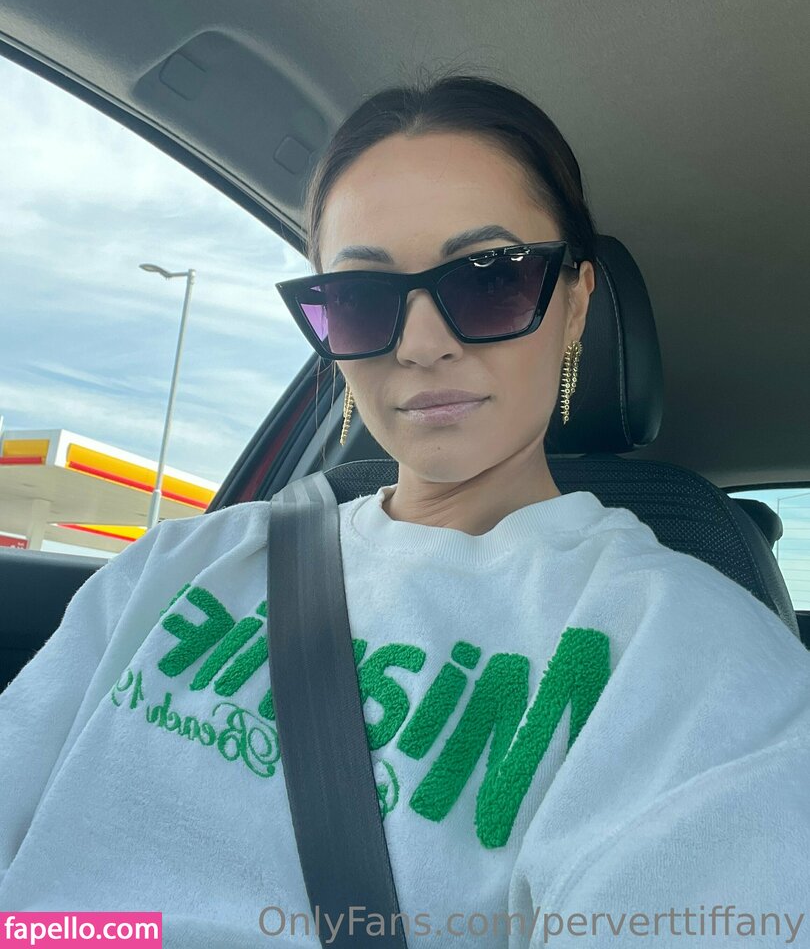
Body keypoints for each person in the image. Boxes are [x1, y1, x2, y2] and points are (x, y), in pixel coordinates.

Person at [1, 69, 808, 949]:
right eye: (359, 298)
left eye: (490, 279)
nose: (422, 346)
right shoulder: (176, 563)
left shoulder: (694, 655)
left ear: (574, 304)